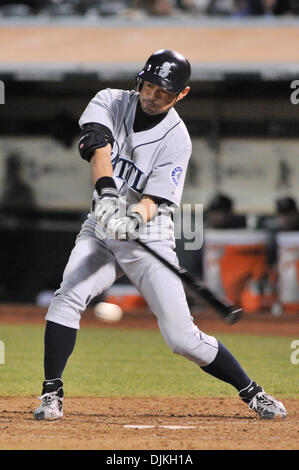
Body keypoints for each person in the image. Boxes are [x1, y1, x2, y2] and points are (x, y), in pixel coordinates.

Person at [33, 49, 286, 421]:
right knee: (67, 296)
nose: (153, 96)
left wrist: (132, 218)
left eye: (164, 92)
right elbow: (95, 144)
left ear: (181, 95)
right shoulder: (109, 100)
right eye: (150, 86)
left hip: (147, 236)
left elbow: (156, 199)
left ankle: (252, 392)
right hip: (101, 229)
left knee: (182, 339)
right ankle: (51, 393)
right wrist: (106, 194)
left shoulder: (177, 138)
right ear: (140, 80)